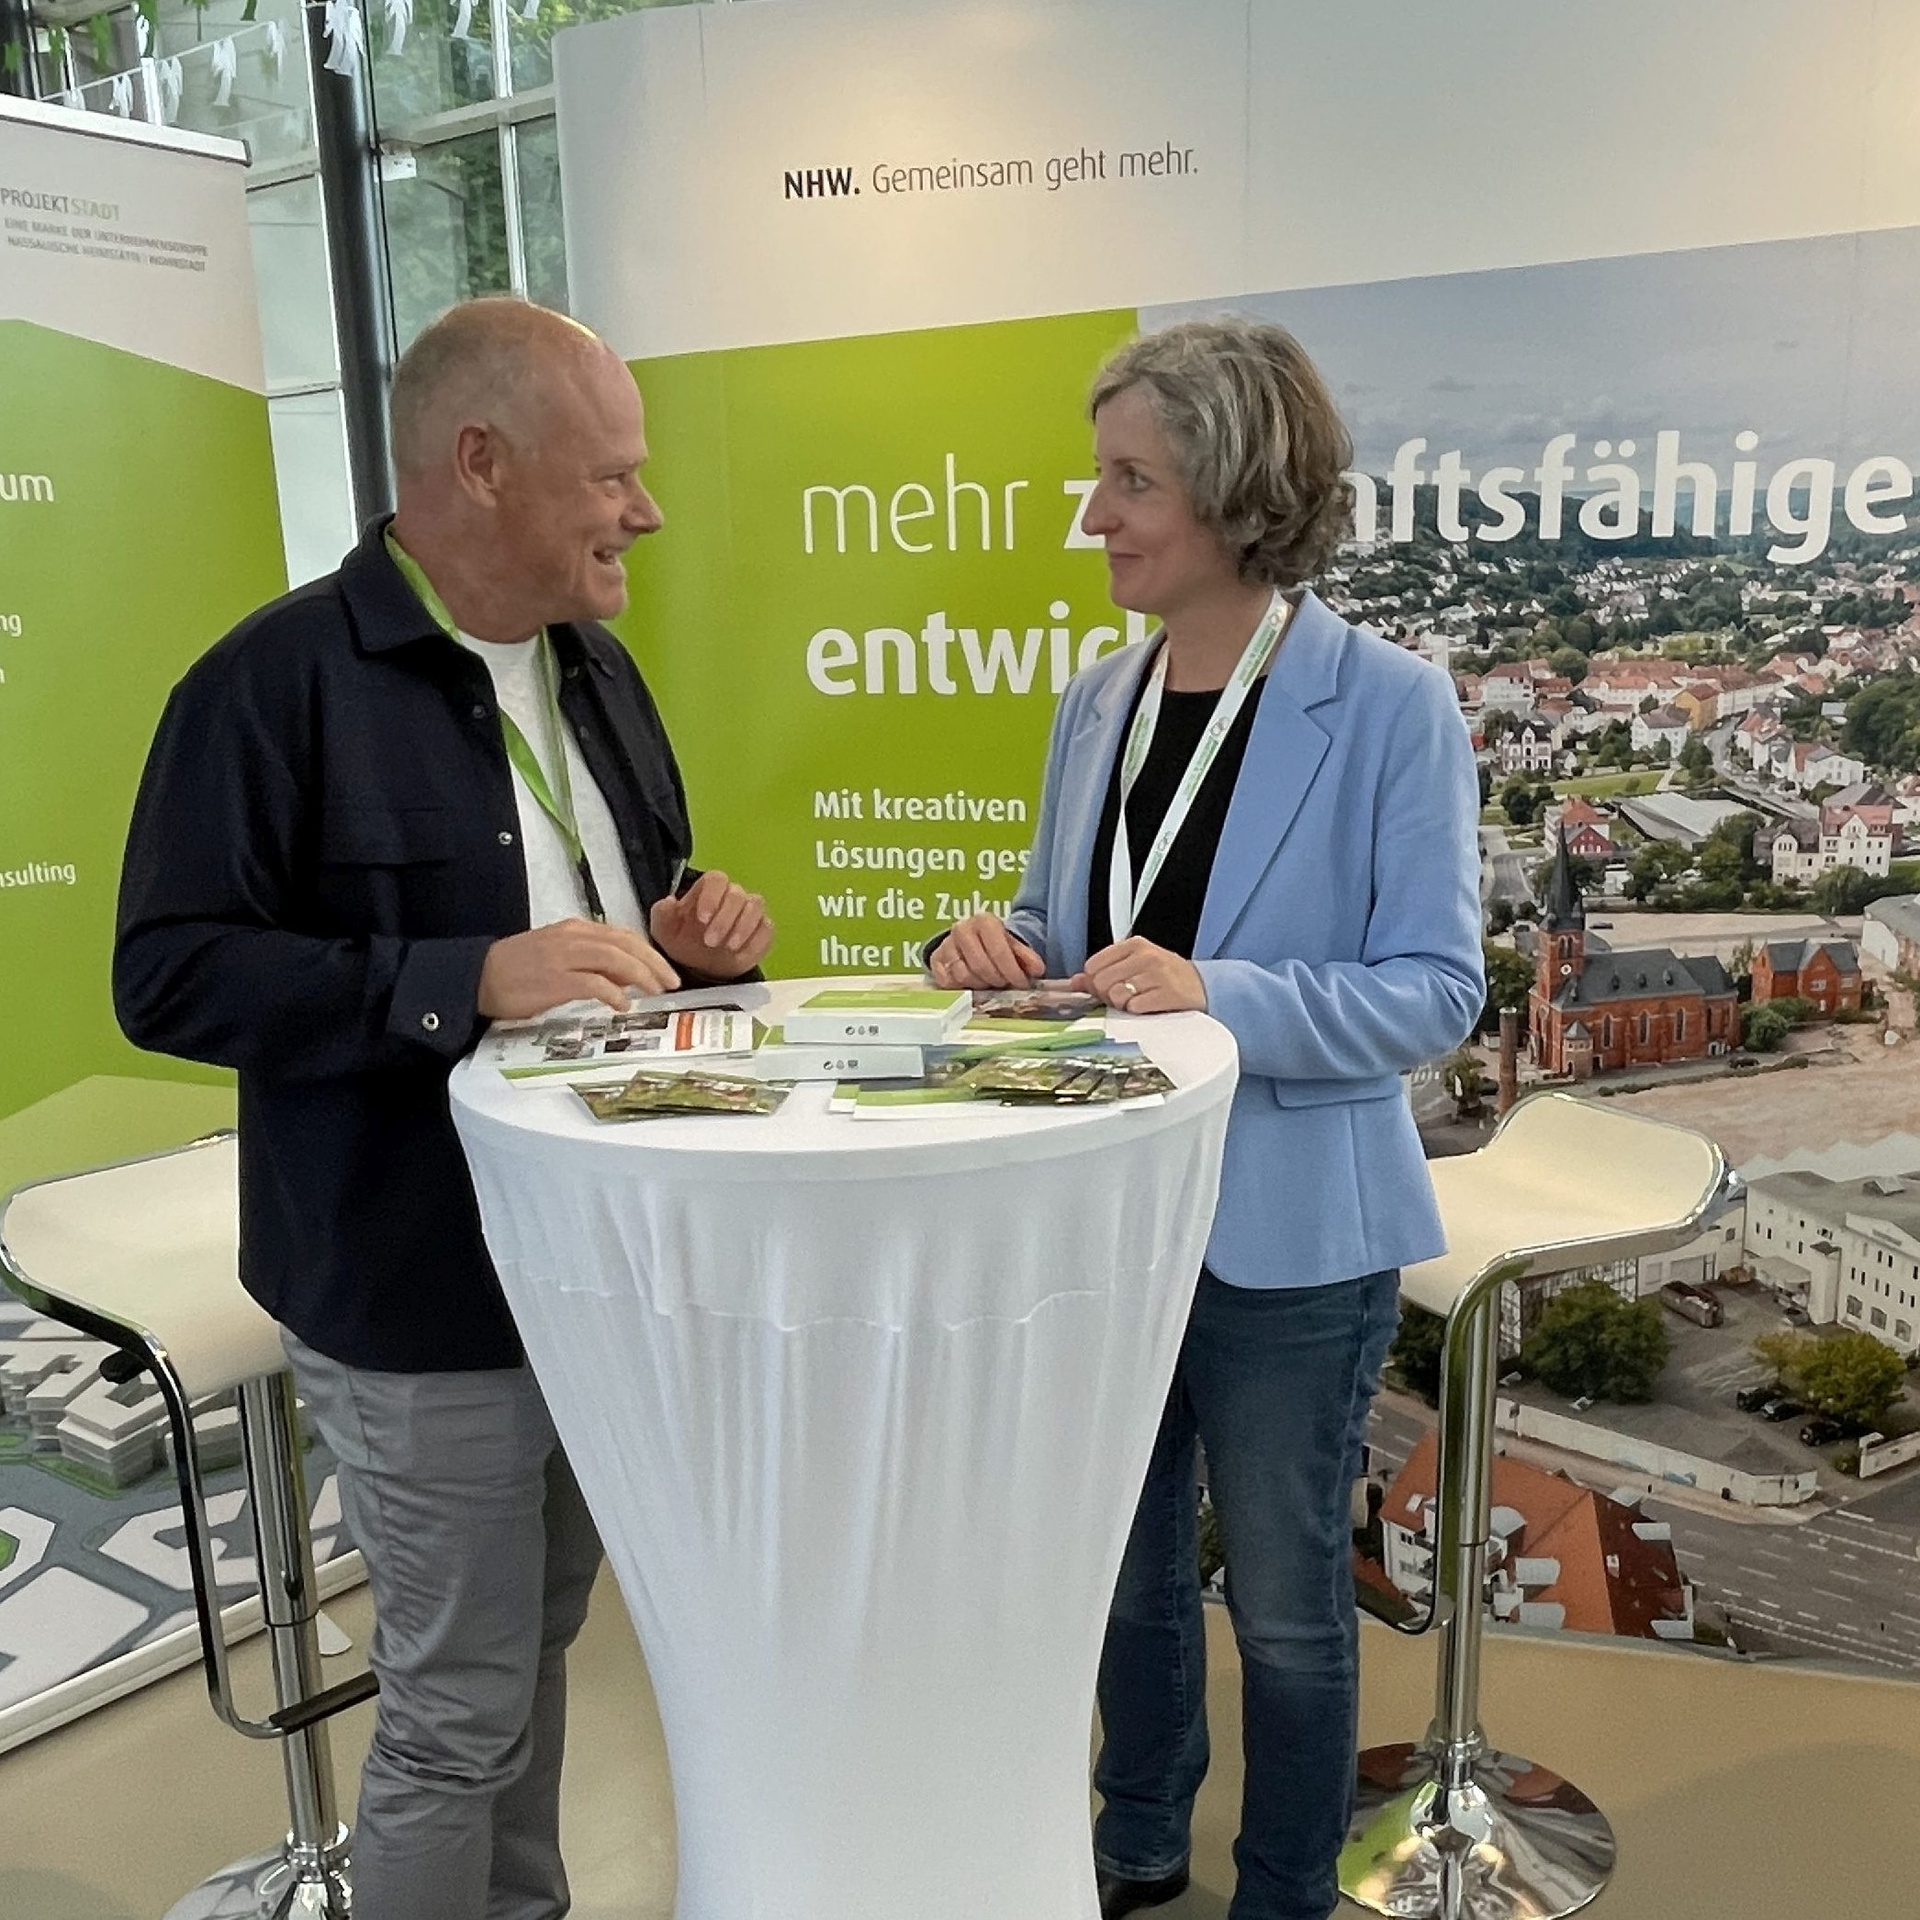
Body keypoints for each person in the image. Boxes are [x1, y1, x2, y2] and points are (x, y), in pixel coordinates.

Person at [114, 297, 774, 1920]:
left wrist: (682, 941)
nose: (647, 509)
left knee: (530, 1659)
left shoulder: (597, 673)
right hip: (419, 1293)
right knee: (461, 1708)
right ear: (480, 464)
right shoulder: (271, 687)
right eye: (611, 474)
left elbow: (615, 914)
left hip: (599, 1274)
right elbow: (171, 975)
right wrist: (459, 978)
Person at [928, 318, 1483, 1920]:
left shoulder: (1388, 705)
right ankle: (1134, 1840)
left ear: (1236, 494)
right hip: (1103, 1218)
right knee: (1123, 1574)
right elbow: (1062, 928)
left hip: (1290, 1235)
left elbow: (1435, 992)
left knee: (1296, 1609)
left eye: (1129, 479)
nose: (1093, 514)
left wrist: (1219, 990)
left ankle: (1286, 1888)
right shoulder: (1094, 703)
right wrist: (994, 951)